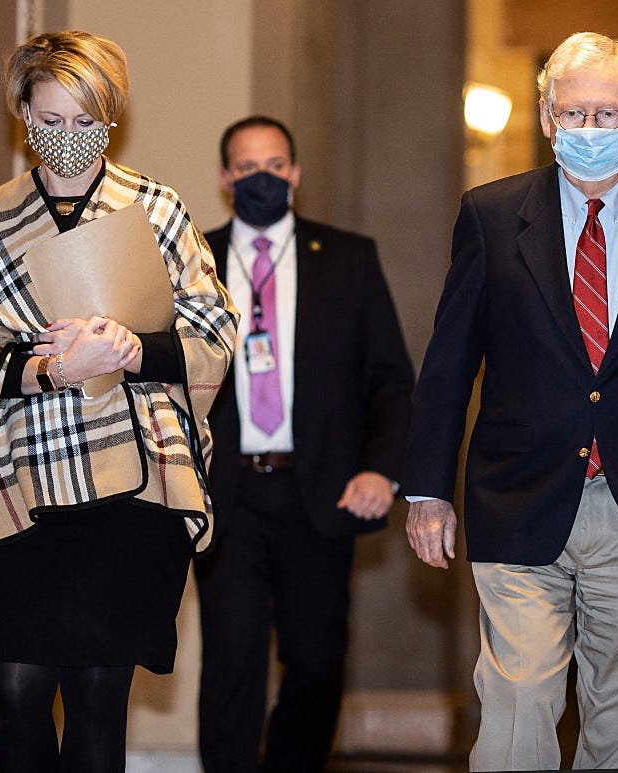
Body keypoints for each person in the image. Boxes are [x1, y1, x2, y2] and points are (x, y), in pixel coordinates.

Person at [403, 32, 618, 771]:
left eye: (606, 113)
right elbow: (449, 361)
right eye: (573, 113)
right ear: (544, 116)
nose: (589, 130)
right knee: (517, 710)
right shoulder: (492, 214)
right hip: (518, 499)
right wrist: (429, 489)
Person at [0, 30, 238, 772]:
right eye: (52, 122)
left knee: (99, 712)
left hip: (131, 496)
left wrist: (128, 350)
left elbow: (213, 333)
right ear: (24, 116)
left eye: (86, 123)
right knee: (16, 705)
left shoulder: (155, 209)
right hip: (16, 492)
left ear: (111, 119)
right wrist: (50, 370)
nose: (69, 139)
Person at [194, 115, 416, 772]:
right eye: (247, 166)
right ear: (226, 179)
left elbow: (391, 381)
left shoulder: (348, 258)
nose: (262, 176)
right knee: (230, 658)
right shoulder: (192, 261)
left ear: (295, 173)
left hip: (318, 490)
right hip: (226, 494)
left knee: (316, 658)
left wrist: (382, 469)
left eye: (275, 164)